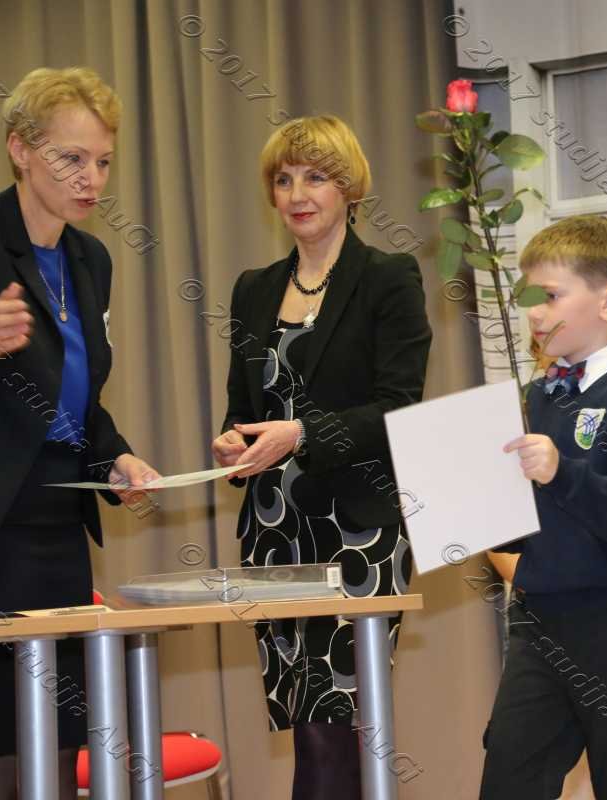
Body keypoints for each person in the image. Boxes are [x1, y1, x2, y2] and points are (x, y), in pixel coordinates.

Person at [0, 66, 160, 799]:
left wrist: (116, 456)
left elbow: (75, 395)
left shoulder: (90, 259)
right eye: (70, 158)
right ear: (20, 149)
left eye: (103, 161)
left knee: (60, 738)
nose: (91, 179)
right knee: (2, 744)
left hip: (54, 513)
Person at [210, 115, 431, 800]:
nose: (298, 194)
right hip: (274, 531)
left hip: (359, 530)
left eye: (315, 177)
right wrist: (233, 442)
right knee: (311, 726)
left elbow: (399, 407)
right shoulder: (252, 288)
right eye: (284, 180)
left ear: (349, 188)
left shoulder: (388, 277)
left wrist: (301, 434)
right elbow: (242, 406)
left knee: (333, 727)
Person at [480, 215, 607, 800]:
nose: (534, 313)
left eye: (549, 296)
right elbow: (523, 517)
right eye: (528, 299)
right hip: (539, 621)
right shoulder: (537, 395)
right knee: (510, 775)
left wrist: (562, 471)